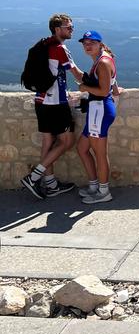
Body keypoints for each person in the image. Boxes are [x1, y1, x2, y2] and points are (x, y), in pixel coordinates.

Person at [21, 13, 84, 199]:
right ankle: (33, 177)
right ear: (57, 29)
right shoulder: (59, 49)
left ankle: (51, 185)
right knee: (67, 141)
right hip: (55, 104)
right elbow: (77, 75)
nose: (71, 30)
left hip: (41, 100)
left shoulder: (43, 45)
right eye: (68, 27)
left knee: (48, 142)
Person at [75, 30, 119, 205]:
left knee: (100, 153)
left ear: (100, 44)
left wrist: (84, 88)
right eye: (85, 43)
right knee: (82, 148)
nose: (87, 46)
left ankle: (103, 191)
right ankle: (94, 186)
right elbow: (113, 86)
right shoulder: (102, 59)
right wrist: (116, 92)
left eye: (91, 43)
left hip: (100, 110)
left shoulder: (102, 63)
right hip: (97, 110)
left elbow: (102, 90)